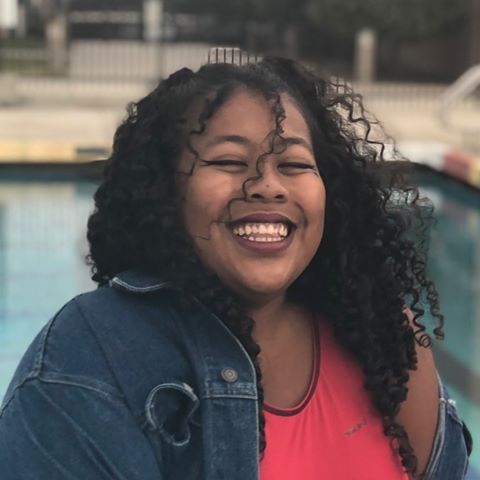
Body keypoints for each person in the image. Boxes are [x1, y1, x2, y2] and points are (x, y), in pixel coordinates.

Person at [0, 51, 472, 479]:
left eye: (294, 165)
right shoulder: (92, 355)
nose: (267, 185)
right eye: (228, 161)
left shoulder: (385, 338)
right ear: (166, 192)